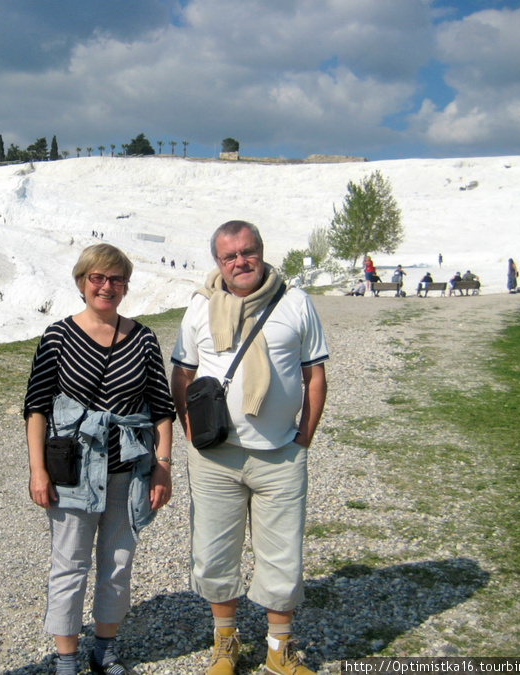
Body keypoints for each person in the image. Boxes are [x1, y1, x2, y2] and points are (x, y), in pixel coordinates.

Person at [170, 221, 328, 675]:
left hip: (280, 453)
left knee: (282, 553)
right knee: (215, 551)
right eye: (229, 256)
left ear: (261, 251)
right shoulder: (201, 306)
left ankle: (279, 650)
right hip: (215, 457)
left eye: (248, 251)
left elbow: (314, 375)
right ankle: (226, 643)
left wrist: (304, 437)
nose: (240, 262)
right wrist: (188, 426)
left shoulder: (295, 302)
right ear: (218, 262)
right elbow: (182, 372)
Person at [24, 243, 175, 675]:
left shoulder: (143, 338)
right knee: (69, 563)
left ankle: (104, 649)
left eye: (116, 279)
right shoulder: (58, 335)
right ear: (82, 282)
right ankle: (66, 656)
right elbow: (36, 408)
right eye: (97, 278)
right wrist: (37, 470)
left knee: (118, 563)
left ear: (126, 286)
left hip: (128, 470)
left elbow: (161, 408)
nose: (106, 286)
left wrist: (162, 467)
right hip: (71, 471)